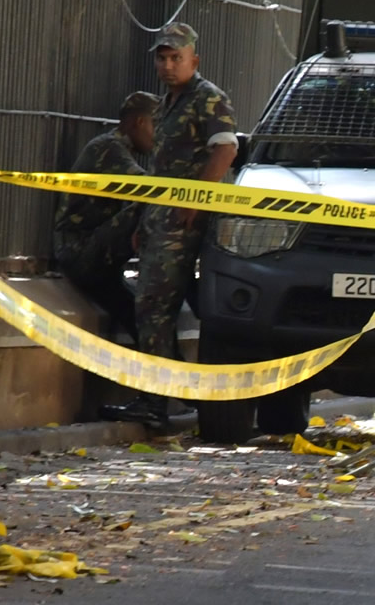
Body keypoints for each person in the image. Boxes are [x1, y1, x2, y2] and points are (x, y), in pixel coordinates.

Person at [100, 23, 239, 429]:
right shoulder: (166, 104)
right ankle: (164, 398)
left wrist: (192, 202)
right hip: (163, 220)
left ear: (193, 60)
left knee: (154, 307)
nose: (167, 64)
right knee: (155, 308)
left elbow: (225, 150)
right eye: (162, 58)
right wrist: (147, 219)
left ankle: (157, 402)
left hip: (187, 221)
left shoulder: (208, 98)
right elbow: (161, 169)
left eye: (176, 57)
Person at [53, 91, 160, 345]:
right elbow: (147, 188)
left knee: (138, 316)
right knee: (152, 206)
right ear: (141, 123)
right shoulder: (108, 148)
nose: (160, 137)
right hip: (79, 251)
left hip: (94, 256)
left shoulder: (115, 147)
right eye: (158, 127)